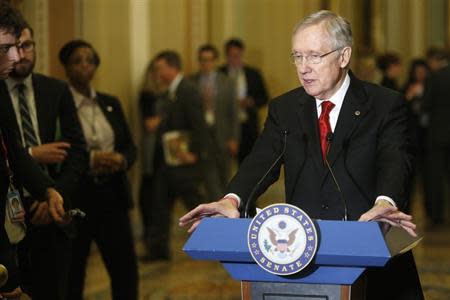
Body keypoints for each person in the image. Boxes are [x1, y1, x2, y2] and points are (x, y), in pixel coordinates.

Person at [180, 10, 423, 300]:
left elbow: (395, 160)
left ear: (343, 56)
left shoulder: (384, 104)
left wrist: (386, 201)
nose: (304, 67)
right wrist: (231, 199)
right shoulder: (285, 109)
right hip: (304, 263)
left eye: (314, 56)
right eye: (297, 56)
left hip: (374, 260)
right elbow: (260, 161)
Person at [0, 22, 87, 299]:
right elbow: (13, 152)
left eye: (25, 46)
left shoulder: (56, 90)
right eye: (9, 48)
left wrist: (51, 192)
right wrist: (32, 154)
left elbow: (77, 151)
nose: (19, 55)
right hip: (11, 209)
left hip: (48, 210)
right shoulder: (2, 89)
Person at [58, 40, 138, 300]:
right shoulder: (59, 105)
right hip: (78, 195)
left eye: (89, 61)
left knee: (124, 268)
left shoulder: (109, 102)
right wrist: (92, 159)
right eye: (77, 61)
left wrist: (121, 160)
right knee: (74, 270)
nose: (84, 66)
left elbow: (129, 146)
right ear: (66, 68)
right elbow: (60, 149)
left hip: (112, 194)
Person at [148, 50, 211, 261]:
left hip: (185, 163)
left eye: (160, 68)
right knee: (160, 205)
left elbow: (199, 125)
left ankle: (214, 242)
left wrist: (194, 153)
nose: (158, 72)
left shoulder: (188, 90)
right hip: (169, 162)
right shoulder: (168, 93)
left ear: (171, 67)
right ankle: (158, 251)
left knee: (195, 205)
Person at [190, 44, 240, 200]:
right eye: (203, 60)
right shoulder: (191, 82)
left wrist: (234, 138)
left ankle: (225, 210)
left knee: (225, 176)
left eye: (209, 60)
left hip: (222, 135)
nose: (206, 63)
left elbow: (234, 113)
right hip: (202, 137)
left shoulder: (227, 82)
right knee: (208, 179)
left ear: (215, 61)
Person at [219, 38, 269, 163]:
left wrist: (250, 102)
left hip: (248, 125)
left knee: (248, 162)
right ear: (226, 55)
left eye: (237, 55)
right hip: (226, 125)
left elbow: (264, 98)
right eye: (231, 55)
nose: (235, 59)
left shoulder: (253, 74)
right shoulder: (220, 73)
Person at [138, 59, 167, 260]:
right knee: (149, 198)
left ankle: (159, 246)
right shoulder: (147, 95)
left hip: (165, 152)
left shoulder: (167, 94)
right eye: (156, 70)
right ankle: (152, 244)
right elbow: (150, 124)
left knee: (160, 201)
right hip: (152, 152)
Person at [422, 56, 450, 226]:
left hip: (437, 134)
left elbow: (426, 104)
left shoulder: (434, 78)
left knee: (436, 177)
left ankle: (436, 215)